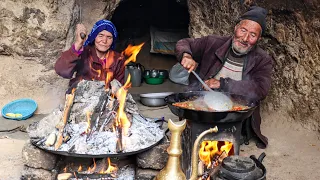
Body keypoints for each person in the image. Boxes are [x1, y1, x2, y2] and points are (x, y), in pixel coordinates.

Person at [175, 6, 273, 148]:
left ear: (259, 38)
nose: (245, 38)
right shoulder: (212, 43)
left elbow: (261, 90)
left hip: (234, 112)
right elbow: (184, 43)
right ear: (235, 28)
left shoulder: (262, 59)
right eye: (243, 30)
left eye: (252, 35)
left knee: (223, 144)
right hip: (202, 106)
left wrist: (222, 84)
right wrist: (186, 55)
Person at [55, 20, 125, 93]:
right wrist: (78, 44)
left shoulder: (118, 59)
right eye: (100, 35)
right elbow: (62, 71)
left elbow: (119, 88)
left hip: (105, 101)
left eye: (109, 37)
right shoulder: (83, 53)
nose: (104, 41)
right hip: (80, 98)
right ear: (94, 37)